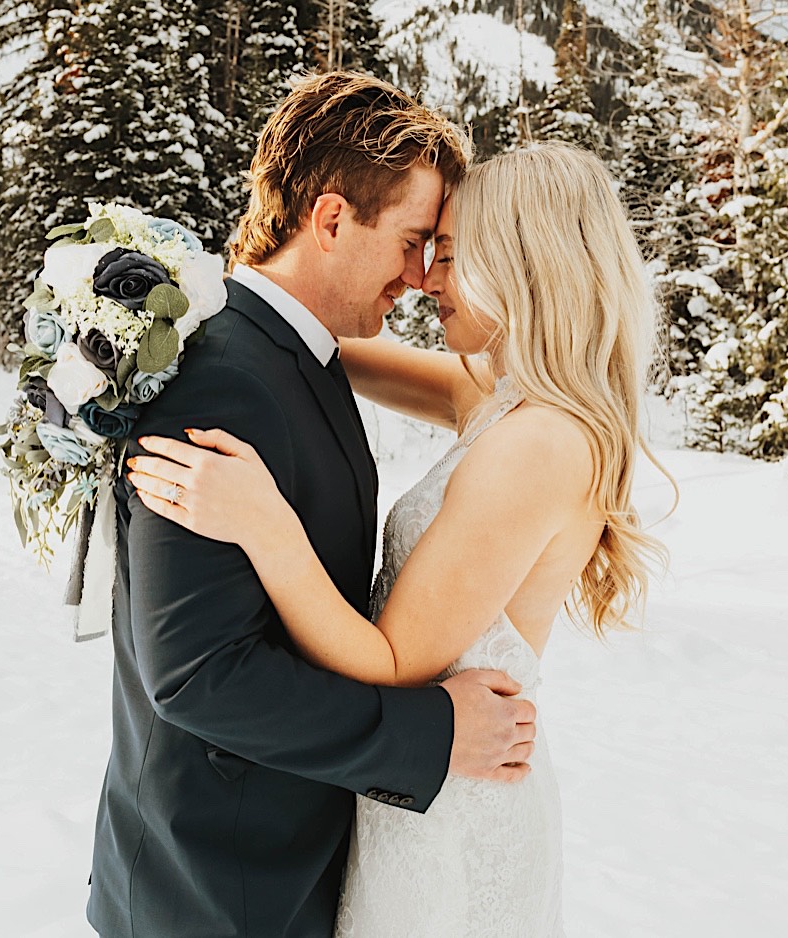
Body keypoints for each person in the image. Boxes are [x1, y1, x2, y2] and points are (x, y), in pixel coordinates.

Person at [128, 143, 671, 936]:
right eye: (425, 250)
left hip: (458, 810)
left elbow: (390, 661)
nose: (428, 280)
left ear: (521, 266)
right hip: (410, 790)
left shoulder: (542, 445)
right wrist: (164, 312)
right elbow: (328, 337)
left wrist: (265, 524)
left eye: (450, 257)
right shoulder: (502, 396)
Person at [86, 73, 540, 938]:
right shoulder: (219, 377)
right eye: (411, 240)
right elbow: (197, 673)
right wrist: (432, 735)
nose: (420, 274)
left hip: (277, 879)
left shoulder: (299, 353)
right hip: (214, 895)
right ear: (331, 219)